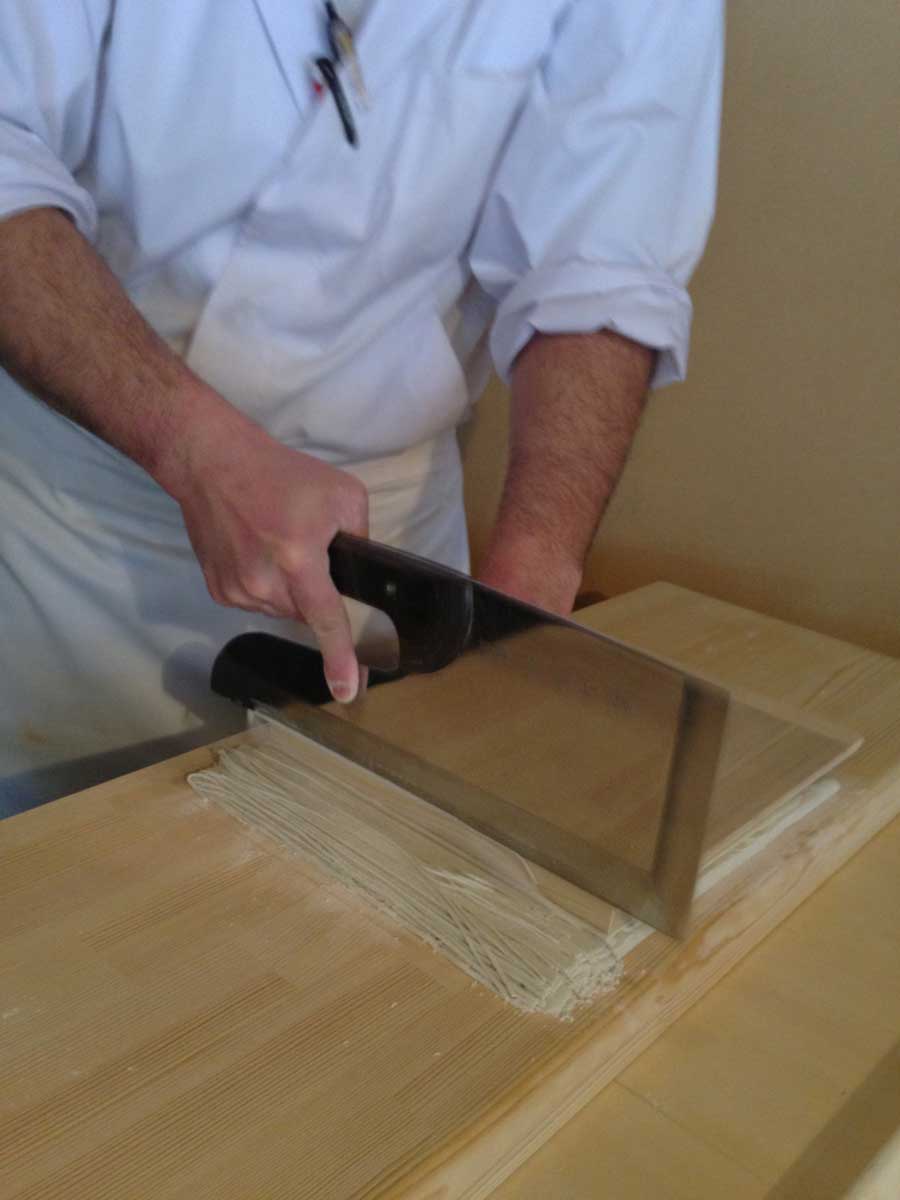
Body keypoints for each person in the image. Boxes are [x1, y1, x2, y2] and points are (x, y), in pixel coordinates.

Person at [0, 1, 724, 812]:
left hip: (387, 558)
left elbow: (602, 264)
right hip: (74, 534)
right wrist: (190, 442)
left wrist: (524, 594)